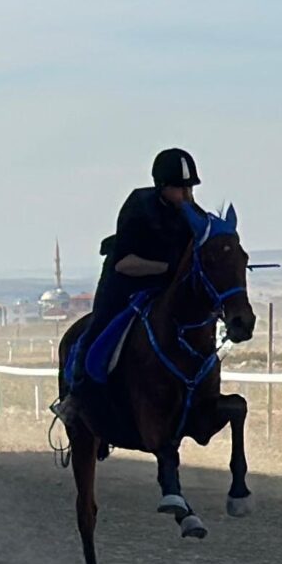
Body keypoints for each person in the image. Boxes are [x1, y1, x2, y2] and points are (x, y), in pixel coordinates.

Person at [56, 148, 202, 420]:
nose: (187, 195)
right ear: (162, 186)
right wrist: (170, 269)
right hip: (124, 283)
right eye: (181, 188)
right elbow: (126, 263)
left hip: (166, 287)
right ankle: (75, 396)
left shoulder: (192, 212)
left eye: (190, 188)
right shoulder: (138, 206)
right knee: (99, 328)